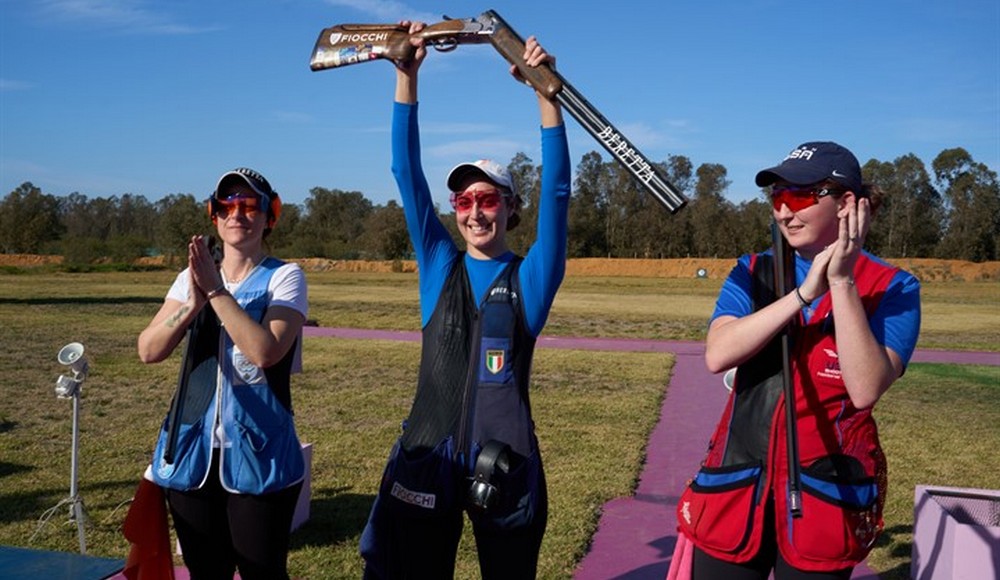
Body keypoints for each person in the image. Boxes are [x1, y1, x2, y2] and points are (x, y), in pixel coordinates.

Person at [358, 22, 571, 580]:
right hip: (428, 457)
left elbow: (559, 193)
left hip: (505, 465)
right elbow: (406, 174)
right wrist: (407, 77)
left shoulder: (533, 277)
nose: (474, 211)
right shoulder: (438, 264)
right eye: (462, 199)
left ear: (510, 207)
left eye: (487, 198)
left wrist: (545, 93)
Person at [674, 142, 921, 579]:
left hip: (826, 498)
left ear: (847, 203)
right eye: (778, 197)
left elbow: (864, 388)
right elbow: (719, 354)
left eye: (801, 196)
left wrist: (841, 281)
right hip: (735, 485)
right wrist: (804, 294)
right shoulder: (753, 271)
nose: (785, 212)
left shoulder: (895, 286)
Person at [137, 167, 308, 580]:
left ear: (270, 217)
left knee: (262, 572)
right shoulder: (189, 279)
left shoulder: (285, 277)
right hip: (192, 451)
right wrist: (191, 304)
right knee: (205, 571)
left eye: (250, 205)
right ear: (214, 215)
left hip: (259, 453)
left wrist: (215, 291)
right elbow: (149, 349)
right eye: (226, 205)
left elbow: (266, 351)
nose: (237, 214)